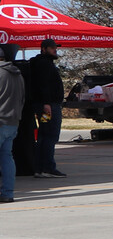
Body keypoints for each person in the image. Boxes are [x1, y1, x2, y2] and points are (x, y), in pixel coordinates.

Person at [29, 38, 66, 178]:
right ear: (43, 49)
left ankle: (39, 167)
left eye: (55, 47)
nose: (55, 50)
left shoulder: (43, 63)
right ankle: (48, 167)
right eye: (52, 48)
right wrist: (46, 103)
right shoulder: (44, 64)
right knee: (50, 134)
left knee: (44, 135)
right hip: (49, 106)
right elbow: (43, 85)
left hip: (46, 105)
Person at [0, 43, 24, 203]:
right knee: (7, 157)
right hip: (13, 121)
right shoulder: (18, 74)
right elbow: (23, 99)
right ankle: (8, 193)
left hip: (1, 120)